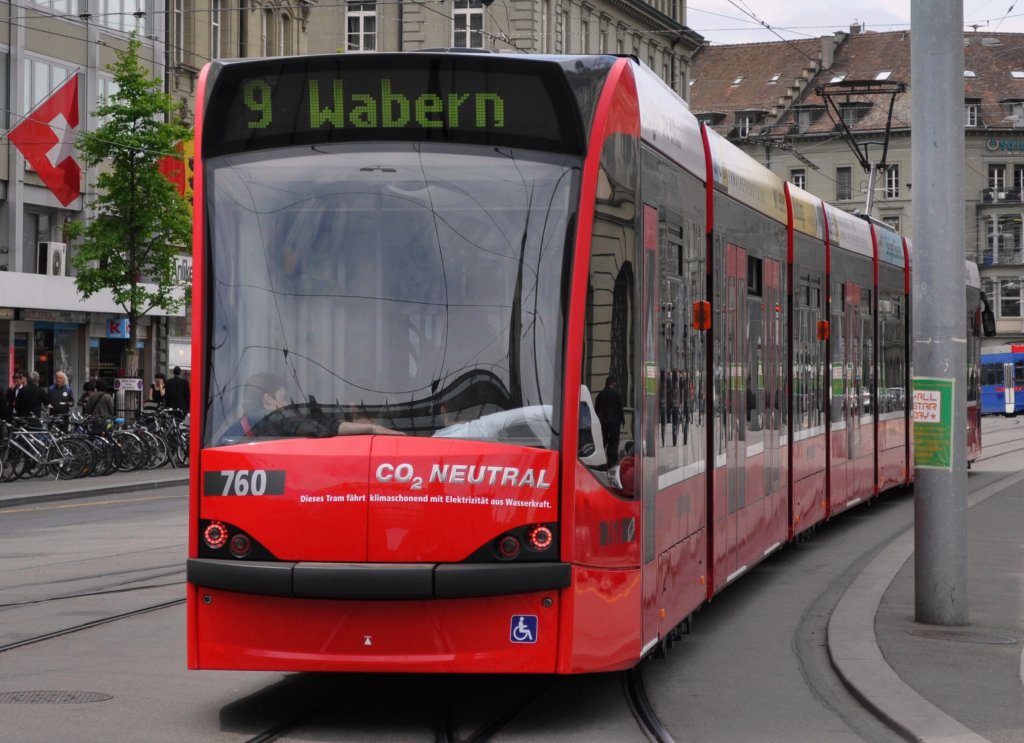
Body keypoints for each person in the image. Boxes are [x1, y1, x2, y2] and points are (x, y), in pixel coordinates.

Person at [595, 375, 625, 466]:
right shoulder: (616, 394)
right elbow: (620, 408)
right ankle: (612, 460)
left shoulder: (601, 394)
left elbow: (597, 408)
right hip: (615, 422)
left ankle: (600, 459)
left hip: (604, 421)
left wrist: (598, 419)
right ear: (613, 383)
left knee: (604, 440)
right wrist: (623, 419)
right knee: (614, 441)